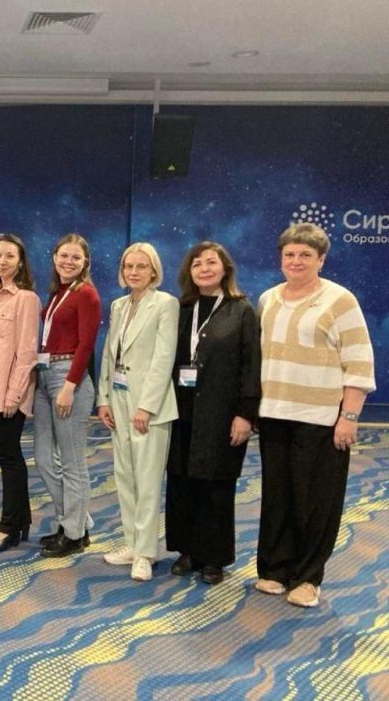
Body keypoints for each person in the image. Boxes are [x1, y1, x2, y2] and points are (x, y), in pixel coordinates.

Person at [255, 223, 375, 608]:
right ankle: (275, 569)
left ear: (321, 259)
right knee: (277, 496)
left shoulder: (340, 300)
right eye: (289, 254)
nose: (296, 261)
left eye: (306, 255)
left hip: (322, 418)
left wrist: (349, 417)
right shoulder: (268, 300)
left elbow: (359, 362)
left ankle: (307, 578)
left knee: (316, 501)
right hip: (274, 414)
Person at [166, 242, 260, 585]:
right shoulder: (181, 308)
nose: (204, 269)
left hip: (222, 413)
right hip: (180, 410)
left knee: (215, 484)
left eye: (211, 262)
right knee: (182, 481)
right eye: (197, 264)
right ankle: (187, 550)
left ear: (225, 269)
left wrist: (245, 414)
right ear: (188, 272)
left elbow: (252, 365)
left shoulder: (241, 310)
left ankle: (214, 558)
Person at [96, 242, 178, 581]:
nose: (134, 272)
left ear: (153, 270)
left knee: (147, 479)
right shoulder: (119, 305)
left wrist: (147, 406)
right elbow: (109, 354)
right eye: (129, 266)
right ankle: (131, 542)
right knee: (125, 475)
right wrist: (103, 398)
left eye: (141, 266)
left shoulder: (165, 304)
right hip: (118, 398)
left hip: (149, 406)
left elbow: (164, 357)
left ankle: (146, 552)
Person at [36, 234, 102, 559]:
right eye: (64, 255)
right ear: (55, 258)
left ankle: (74, 535)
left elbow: (87, 345)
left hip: (68, 378)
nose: (68, 262)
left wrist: (69, 386)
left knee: (72, 463)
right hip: (45, 375)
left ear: (85, 262)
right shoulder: (58, 293)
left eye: (76, 257)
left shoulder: (86, 294)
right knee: (44, 458)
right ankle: (76, 521)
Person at [0, 234, 41, 553]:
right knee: (8, 455)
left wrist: (14, 395)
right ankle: (20, 520)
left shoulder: (25, 299)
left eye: (9, 256)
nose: (2, 261)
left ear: (20, 262)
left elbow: (27, 353)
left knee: (10, 458)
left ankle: (8, 526)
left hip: (9, 394)